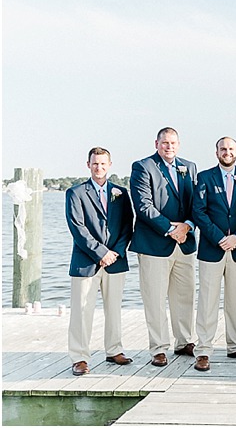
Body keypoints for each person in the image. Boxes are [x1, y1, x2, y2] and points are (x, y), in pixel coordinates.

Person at [130, 127, 198, 367]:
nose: (169, 146)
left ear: (179, 144)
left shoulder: (189, 167)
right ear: (156, 143)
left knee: (185, 295)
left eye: (173, 143)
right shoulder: (143, 167)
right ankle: (158, 348)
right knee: (155, 298)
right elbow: (143, 206)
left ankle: (184, 341)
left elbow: (196, 203)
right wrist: (171, 229)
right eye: (164, 142)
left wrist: (187, 226)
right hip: (154, 244)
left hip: (185, 243)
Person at [191, 137, 236, 372]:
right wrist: (219, 238)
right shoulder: (204, 177)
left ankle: (235, 345)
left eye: (230, 149)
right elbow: (198, 212)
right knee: (207, 301)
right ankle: (203, 350)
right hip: (212, 248)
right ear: (216, 152)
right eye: (223, 149)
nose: (227, 152)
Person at [65, 147, 133, 376]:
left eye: (103, 164)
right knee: (82, 311)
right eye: (95, 164)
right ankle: (80, 357)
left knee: (114, 308)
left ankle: (114, 349)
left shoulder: (121, 193)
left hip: (115, 261)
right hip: (86, 262)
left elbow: (127, 225)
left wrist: (115, 252)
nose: (99, 168)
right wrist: (100, 252)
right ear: (88, 165)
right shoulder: (75, 193)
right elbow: (78, 228)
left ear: (110, 165)